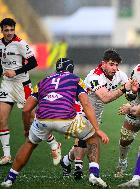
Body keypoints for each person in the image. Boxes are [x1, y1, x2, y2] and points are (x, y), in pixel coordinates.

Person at [0, 58, 110, 188]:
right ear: (71, 69)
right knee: (92, 137)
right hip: (66, 119)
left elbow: (26, 109)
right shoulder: (75, 79)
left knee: (29, 143)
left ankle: (9, 179)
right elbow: (86, 103)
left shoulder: (43, 81)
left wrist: (26, 129)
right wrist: (97, 128)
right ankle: (94, 175)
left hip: (42, 120)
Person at [60, 49, 131, 180]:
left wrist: (131, 96)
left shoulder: (120, 74)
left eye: (116, 65)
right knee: (85, 136)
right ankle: (79, 168)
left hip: (96, 113)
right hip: (81, 107)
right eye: (111, 64)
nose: (114, 68)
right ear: (103, 63)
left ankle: (66, 161)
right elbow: (105, 97)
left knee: (87, 140)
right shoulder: (95, 76)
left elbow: (130, 89)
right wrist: (124, 88)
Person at [0, 18, 61, 166]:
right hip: (6, 85)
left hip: (22, 85)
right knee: (1, 119)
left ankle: (54, 144)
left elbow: (34, 62)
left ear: (14, 29)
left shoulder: (21, 44)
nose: (9, 33)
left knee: (35, 118)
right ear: (2, 30)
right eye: (6, 30)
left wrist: (16, 72)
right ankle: (7, 155)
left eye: (11, 30)